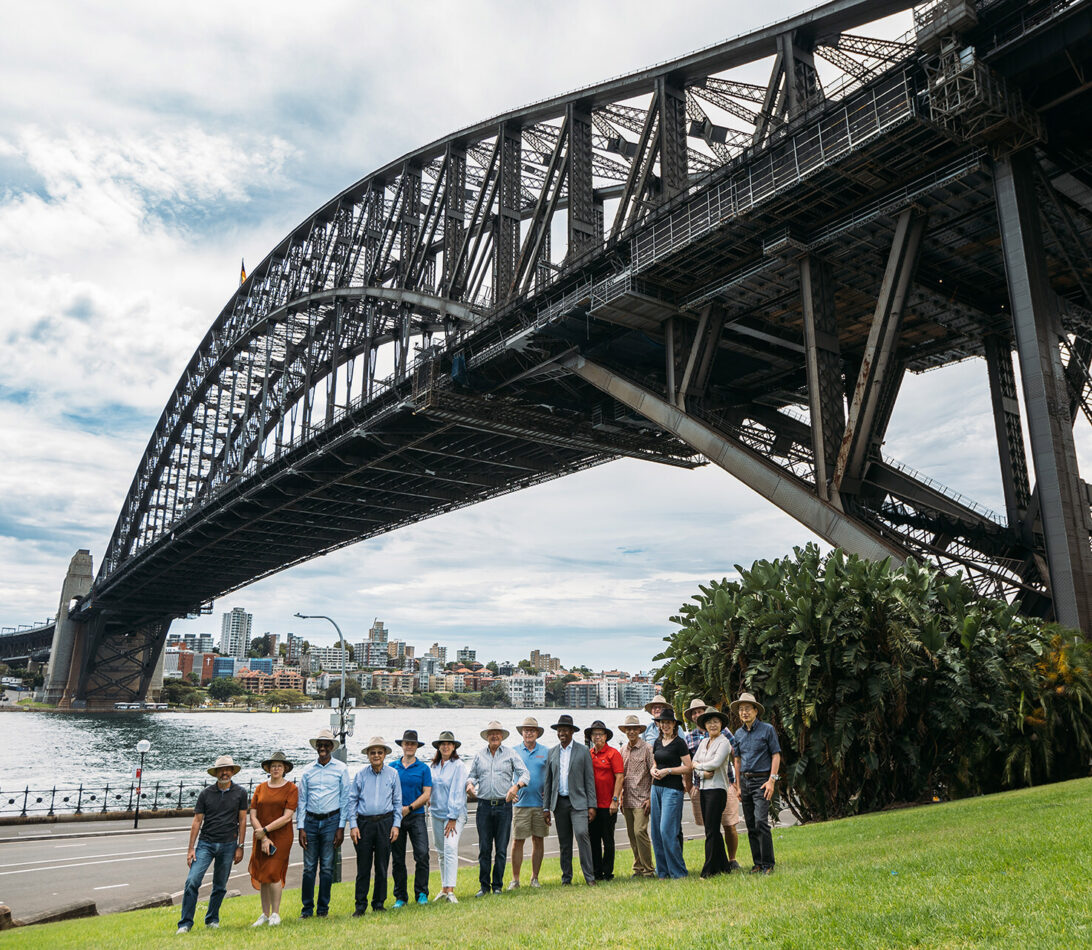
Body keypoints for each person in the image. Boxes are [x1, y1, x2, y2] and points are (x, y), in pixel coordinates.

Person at [177, 754, 248, 934]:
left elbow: (242, 820)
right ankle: (185, 923)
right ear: (216, 773)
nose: (224, 773)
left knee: (220, 885)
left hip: (229, 844)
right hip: (206, 844)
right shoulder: (206, 794)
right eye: (221, 770)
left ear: (232, 772)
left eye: (227, 769)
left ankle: (212, 919)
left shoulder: (240, 793)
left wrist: (240, 846)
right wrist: (191, 848)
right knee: (192, 881)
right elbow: (197, 821)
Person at [466, 720, 530, 896]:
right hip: (484, 806)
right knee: (484, 849)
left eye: (497, 733)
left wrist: (516, 787)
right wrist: (470, 785)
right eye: (491, 733)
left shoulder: (510, 754)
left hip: (504, 806)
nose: (494, 736)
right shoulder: (479, 755)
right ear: (487, 736)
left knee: (501, 849)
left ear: (502, 736)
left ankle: (497, 886)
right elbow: (472, 776)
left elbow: (525, 774)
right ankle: (484, 886)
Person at [297, 728, 350, 918]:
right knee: (309, 868)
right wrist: (300, 826)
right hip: (310, 821)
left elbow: (345, 799)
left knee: (327, 867)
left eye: (326, 744)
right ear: (316, 747)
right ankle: (307, 909)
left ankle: (323, 909)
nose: (323, 748)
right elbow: (302, 800)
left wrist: (341, 827)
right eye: (320, 745)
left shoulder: (341, 769)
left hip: (331, 821)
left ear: (331, 747)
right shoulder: (307, 771)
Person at [348, 736, 401, 915]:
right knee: (363, 867)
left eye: (379, 752)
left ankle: (378, 903)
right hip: (364, 824)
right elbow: (352, 801)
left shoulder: (393, 774)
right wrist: (353, 825)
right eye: (373, 753)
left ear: (385, 754)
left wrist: (396, 825)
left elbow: (397, 801)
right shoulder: (360, 775)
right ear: (368, 755)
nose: (376, 755)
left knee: (382, 866)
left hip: (385, 823)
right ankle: (360, 906)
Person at [542, 713, 597, 886]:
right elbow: (548, 782)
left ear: (572, 732)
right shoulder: (552, 753)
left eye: (565, 730)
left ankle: (590, 877)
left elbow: (590, 780)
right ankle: (566, 878)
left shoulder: (583, 751)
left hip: (579, 803)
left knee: (582, 834)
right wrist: (546, 808)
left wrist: (592, 805)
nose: (562, 733)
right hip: (559, 803)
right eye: (559, 730)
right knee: (564, 843)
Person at [730, 692, 782, 874]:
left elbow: (776, 755)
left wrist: (772, 781)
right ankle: (758, 863)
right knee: (751, 824)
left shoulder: (767, 730)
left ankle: (768, 864)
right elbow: (737, 760)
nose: (744, 712)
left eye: (747, 709)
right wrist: (737, 785)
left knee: (761, 822)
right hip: (745, 781)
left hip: (762, 781)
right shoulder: (738, 733)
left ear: (755, 711)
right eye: (741, 710)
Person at [248, 750, 298, 927]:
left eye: (279, 766)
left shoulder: (291, 789)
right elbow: (252, 814)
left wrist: (266, 830)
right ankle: (264, 914)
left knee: (274, 872)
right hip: (261, 835)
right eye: (273, 766)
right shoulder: (260, 788)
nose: (276, 768)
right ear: (268, 769)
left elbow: (287, 816)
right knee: (263, 875)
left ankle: (276, 913)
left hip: (281, 836)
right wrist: (262, 835)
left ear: (285, 769)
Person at [390, 729, 432, 907]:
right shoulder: (392, 767)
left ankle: (421, 893)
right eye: (406, 743)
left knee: (422, 854)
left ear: (416, 747)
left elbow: (427, 794)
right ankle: (400, 896)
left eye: (412, 743)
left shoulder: (423, 768)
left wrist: (410, 808)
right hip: (396, 818)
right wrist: (396, 810)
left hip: (416, 816)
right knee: (398, 858)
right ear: (402, 745)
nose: (409, 746)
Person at [649, 707, 691, 879]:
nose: (665, 725)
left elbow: (688, 767)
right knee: (656, 832)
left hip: (672, 790)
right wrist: (653, 770)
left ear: (674, 724)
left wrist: (668, 771)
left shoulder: (679, 742)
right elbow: (654, 762)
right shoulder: (657, 742)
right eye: (662, 722)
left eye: (668, 722)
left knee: (667, 830)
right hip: (656, 788)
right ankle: (663, 871)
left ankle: (678, 872)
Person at [692, 709, 734, 877]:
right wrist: (702, 772)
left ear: (721, 724)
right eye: (709, 722)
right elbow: (693, 762)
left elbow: (715, 763)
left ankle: (708, 870)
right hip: (704, 788)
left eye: (716, 721)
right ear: (705, 726)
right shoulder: (704, 742)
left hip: (717, 789)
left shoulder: (724, 742)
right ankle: (724, 866)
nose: (713, 725)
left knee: (711, 830)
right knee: (712, 829)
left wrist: (699, 767)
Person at [509, 716, 549, 890]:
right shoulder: (513, 751)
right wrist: (511, 791)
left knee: (538, 839)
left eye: (532, 730)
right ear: (522, 733)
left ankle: (534, 878)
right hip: (520, 804)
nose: (529, 733)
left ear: (537, 733)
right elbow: (507, 774)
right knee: (518, 841)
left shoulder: (546, 751)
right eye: (526, 730)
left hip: (540, 804)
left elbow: (550, 776)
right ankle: (515, 880)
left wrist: (547, 795)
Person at [429, 731, 468, 903]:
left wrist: (452, 817)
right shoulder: (434, 766)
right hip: (436, 814)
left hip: (454, 815)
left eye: (449, 744)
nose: (445, 746)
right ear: (439, 746)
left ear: (454, 747)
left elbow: (457, 792)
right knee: (441, 851)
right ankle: (444, 888)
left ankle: (451, 890)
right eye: (442, 743)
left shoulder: (458, 766)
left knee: (450, 848)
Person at [585, 719, 624, 881]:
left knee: (607, 840)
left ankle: (608, 872)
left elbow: (620, 777)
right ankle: (596, 871)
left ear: (606, 736)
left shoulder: (613, 753)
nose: (597, 737)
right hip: (593, 805)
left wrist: (615, 800)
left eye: (600, 734)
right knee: (593, 840)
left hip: (608, 804)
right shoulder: (589, 754)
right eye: (594, 735)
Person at [617, 713, 655, 878]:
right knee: (632, 835)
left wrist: (650, 798)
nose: (631, 732)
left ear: (639, 730)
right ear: (625, 731)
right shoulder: (622, 750)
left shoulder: (647, 748)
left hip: (642, 798)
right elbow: (620, 776)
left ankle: (648, 869)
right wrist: (619, 796)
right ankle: (638, 868)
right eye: (628, 729)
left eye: (634, 729)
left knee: (640, 832)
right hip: (627, 799)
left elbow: (654, 773)